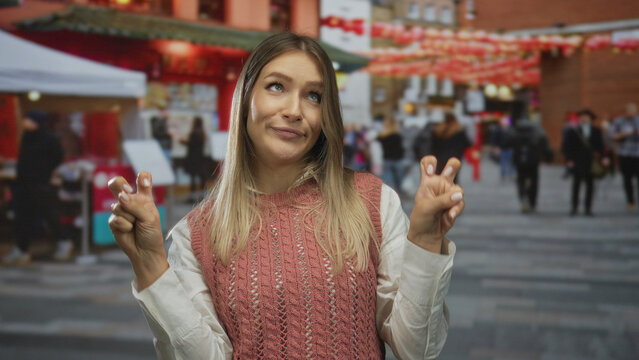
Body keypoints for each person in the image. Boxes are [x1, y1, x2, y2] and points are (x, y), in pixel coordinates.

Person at [106, 33, 465, 359]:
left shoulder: (370, 201)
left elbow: (416, 348)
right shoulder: (196, 233)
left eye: (313, 95)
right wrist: (151, 263)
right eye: (276, 86)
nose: (295, 110)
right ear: (246, 98)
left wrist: (424, 241)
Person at [1, 110, 71, 265]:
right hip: (23, 184)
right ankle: (22, 249)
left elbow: (57, 157)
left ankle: (63, 242)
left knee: (50, 215)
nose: (25, 122)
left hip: (41, 184)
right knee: (21, 218)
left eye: (29, 120)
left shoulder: (49, 138)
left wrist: (44, 171)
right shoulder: (27, 137)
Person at [505, 111, 552, 213]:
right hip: (533, 159)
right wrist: (548, 156)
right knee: (534, 180)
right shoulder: (537, 130)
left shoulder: (515, 129)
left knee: (521, 180)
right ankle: (532, 201)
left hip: (519, 159)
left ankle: (523, 198)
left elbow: (507, 142)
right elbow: (544, 142)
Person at [562, 109, 606, 216]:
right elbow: (567, 147)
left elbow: (601, 146)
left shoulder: (596, 131)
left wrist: (603, 158)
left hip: (591, 162)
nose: (584, 118)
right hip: (577, 161)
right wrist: (569, 160)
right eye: (582, 116)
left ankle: (588, 208)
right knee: (576, 185)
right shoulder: (573, 131)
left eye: (586, 116)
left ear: (591, 118)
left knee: (590, 186)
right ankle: (574, 207)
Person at [610, 103, 639, 211]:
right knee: (627, 179)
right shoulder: (619, 121)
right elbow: (612, 136)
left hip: (637, 154)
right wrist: (624, 134)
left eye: (633, 111)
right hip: (625, 153)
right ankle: (630, 201)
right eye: (629, 111)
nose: (631, 113)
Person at [431, 112, 471, 183]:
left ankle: (442, 191)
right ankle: (451, 192)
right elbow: (467, 143)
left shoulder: (438, 130)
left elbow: (433, 145)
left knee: (441, 176)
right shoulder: (459, 130)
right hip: (455, 157)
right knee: (453, 178)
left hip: (441, 157)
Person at [180, 116, 208, 201]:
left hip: (193, 158)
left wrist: (182, 141)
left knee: (193, 177)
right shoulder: (202, 133)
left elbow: (191, 144)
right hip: (200, 157)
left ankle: (193, 195)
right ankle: (203, 193)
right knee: (201, 176)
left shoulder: (194, 133)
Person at [377, 117, 405, 192]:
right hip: (397, 159)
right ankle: (398, 195)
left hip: (387, 159)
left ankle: (391, 195)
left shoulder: (382, 136)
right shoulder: (398, 136)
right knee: (399, 181)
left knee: (388, 181)